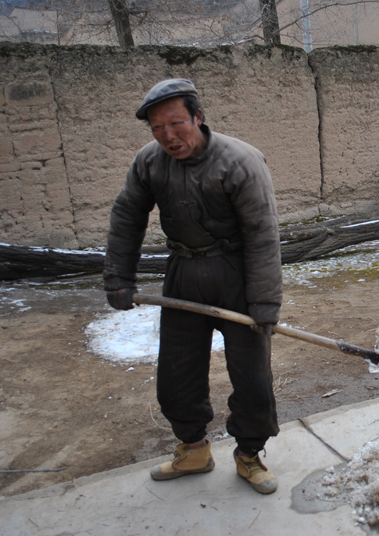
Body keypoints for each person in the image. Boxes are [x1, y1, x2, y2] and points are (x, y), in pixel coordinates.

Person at [103, 79, 283, 494]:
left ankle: (249, 455)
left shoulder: (240, 161)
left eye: (177, 123)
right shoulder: (149, 162)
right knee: (176, 373)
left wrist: (264, 304)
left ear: (199, 117)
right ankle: (194, 449)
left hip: (236, 275)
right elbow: (126, 215)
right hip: (183, 275)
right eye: (157, 128)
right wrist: (118, 276)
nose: (168, 136)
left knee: (253, 377)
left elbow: (262, 235)